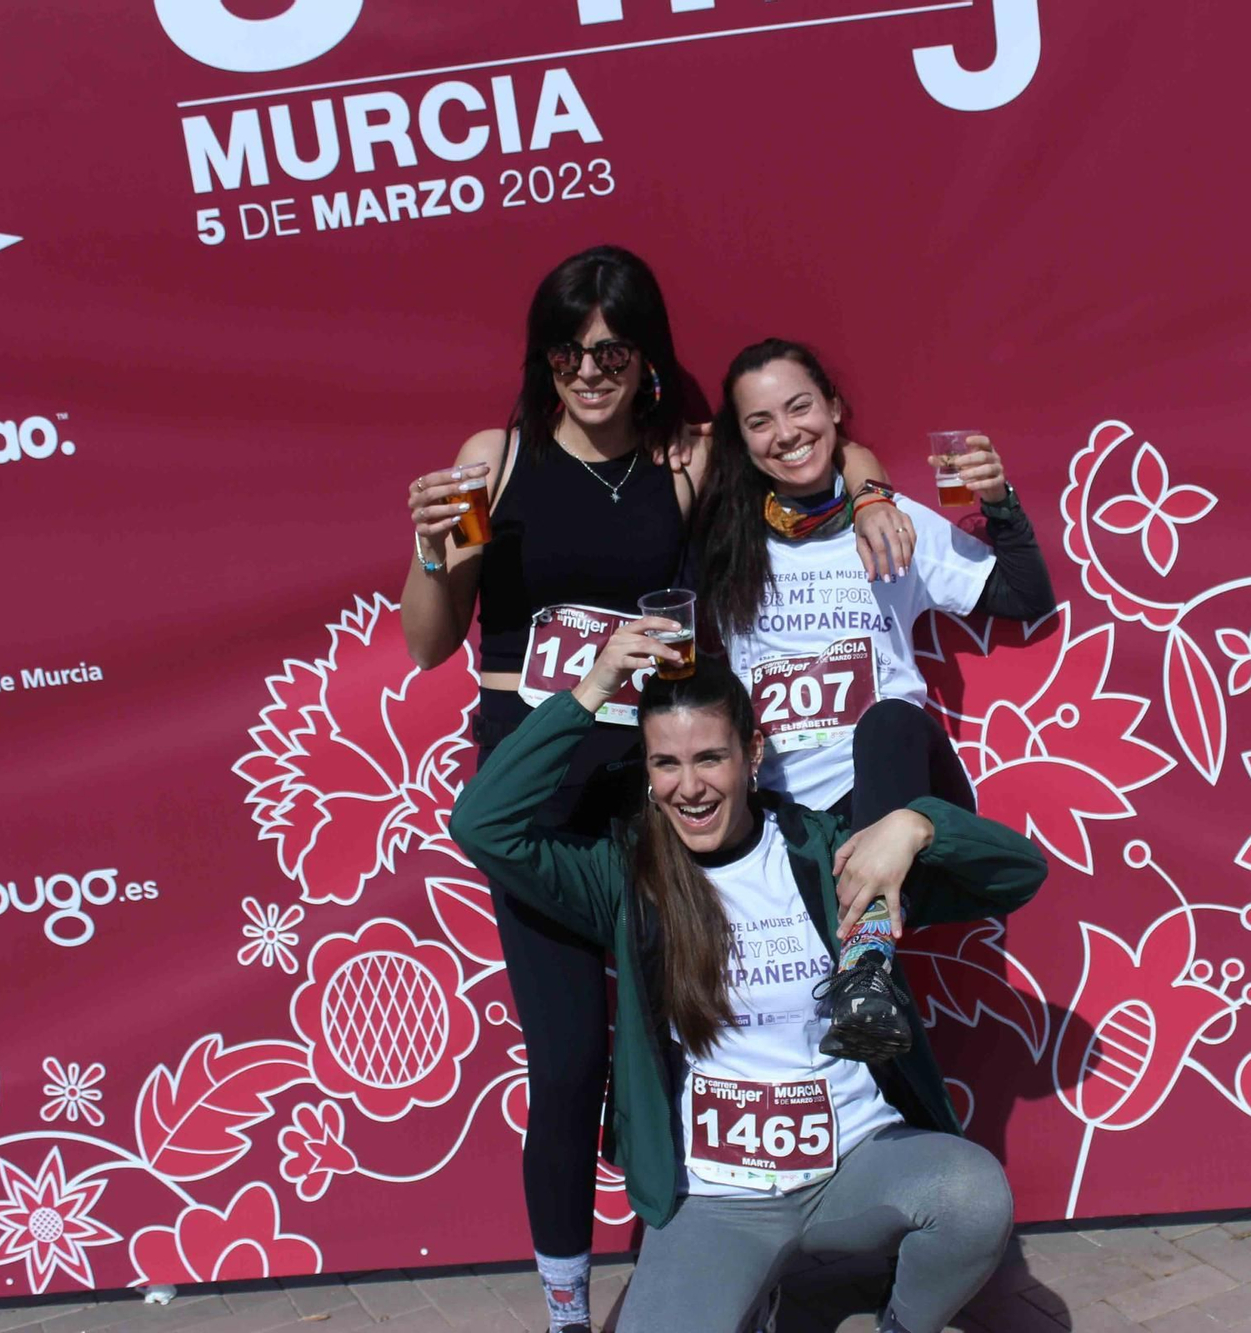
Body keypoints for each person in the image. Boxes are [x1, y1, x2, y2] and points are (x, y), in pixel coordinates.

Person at [398, 249, 915, 1333]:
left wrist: (867, 489)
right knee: (571, 1057)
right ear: (542, 360)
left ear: (645, 361)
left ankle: (726, 1263)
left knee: (695, 1031)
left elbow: (809, 437)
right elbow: (426, 643)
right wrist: (427, 553)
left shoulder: (684, 461)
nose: (587, 372)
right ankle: (563, 1310)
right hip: (535, 775)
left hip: (656, 785)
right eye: (566, 352)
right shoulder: (492, 460)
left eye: (612, 351)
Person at [449, 631, 1046, 1333]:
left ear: (752, 754)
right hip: (717, 1198)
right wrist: (595, 685)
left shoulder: (826, 852)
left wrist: (914, 826)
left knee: (973, 1198)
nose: (689, 785)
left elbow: (1017, 872)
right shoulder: (626, 876)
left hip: (853, 1162)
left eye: (710, 757)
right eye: (666, 762)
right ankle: (749, 1289)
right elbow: (481, 824)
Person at [693, 339, 1056, 1060]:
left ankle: (865, 964)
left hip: (896, 792)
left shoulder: (892, 521)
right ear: (738, 440)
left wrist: (997, 503)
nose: (786, 432)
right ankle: (867, 996)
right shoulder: (720, 543)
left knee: (889, 719)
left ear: (834, 409)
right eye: (759, 421)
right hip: (793, 822)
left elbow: (1023, 595)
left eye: (800, 406)